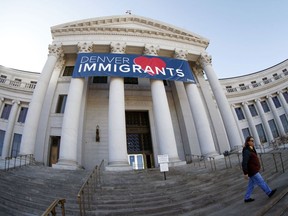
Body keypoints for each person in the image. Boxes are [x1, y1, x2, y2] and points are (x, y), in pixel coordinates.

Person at [242, 136, 277, 203]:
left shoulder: (251, 148)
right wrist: (245, 173)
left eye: (253, 141)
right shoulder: (246, 150)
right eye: (251, 141)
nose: (253, 142)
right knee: (261, 181)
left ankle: (247, 198)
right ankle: (269, 192)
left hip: (253, 169)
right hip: (252, 170)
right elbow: (244, 162)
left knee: (251, 185)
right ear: (248, 142)